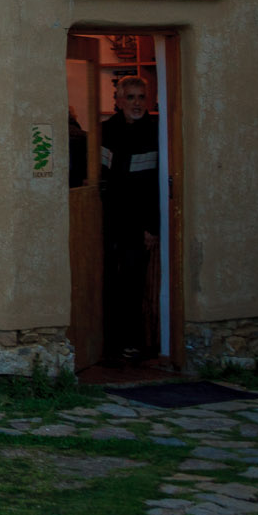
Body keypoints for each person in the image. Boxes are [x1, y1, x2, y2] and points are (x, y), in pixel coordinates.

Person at [99, 75, 161, 362]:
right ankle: (107, 342)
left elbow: (156, 186)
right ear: (119, 100)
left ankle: (132, 341)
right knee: (109, 280)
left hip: (139, 222)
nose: (137, 103)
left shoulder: (156, 131)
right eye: (131, 97)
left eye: (141, 97)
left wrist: (152, 227)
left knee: (134, 283)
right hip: (109, 219)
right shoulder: (105, 131)